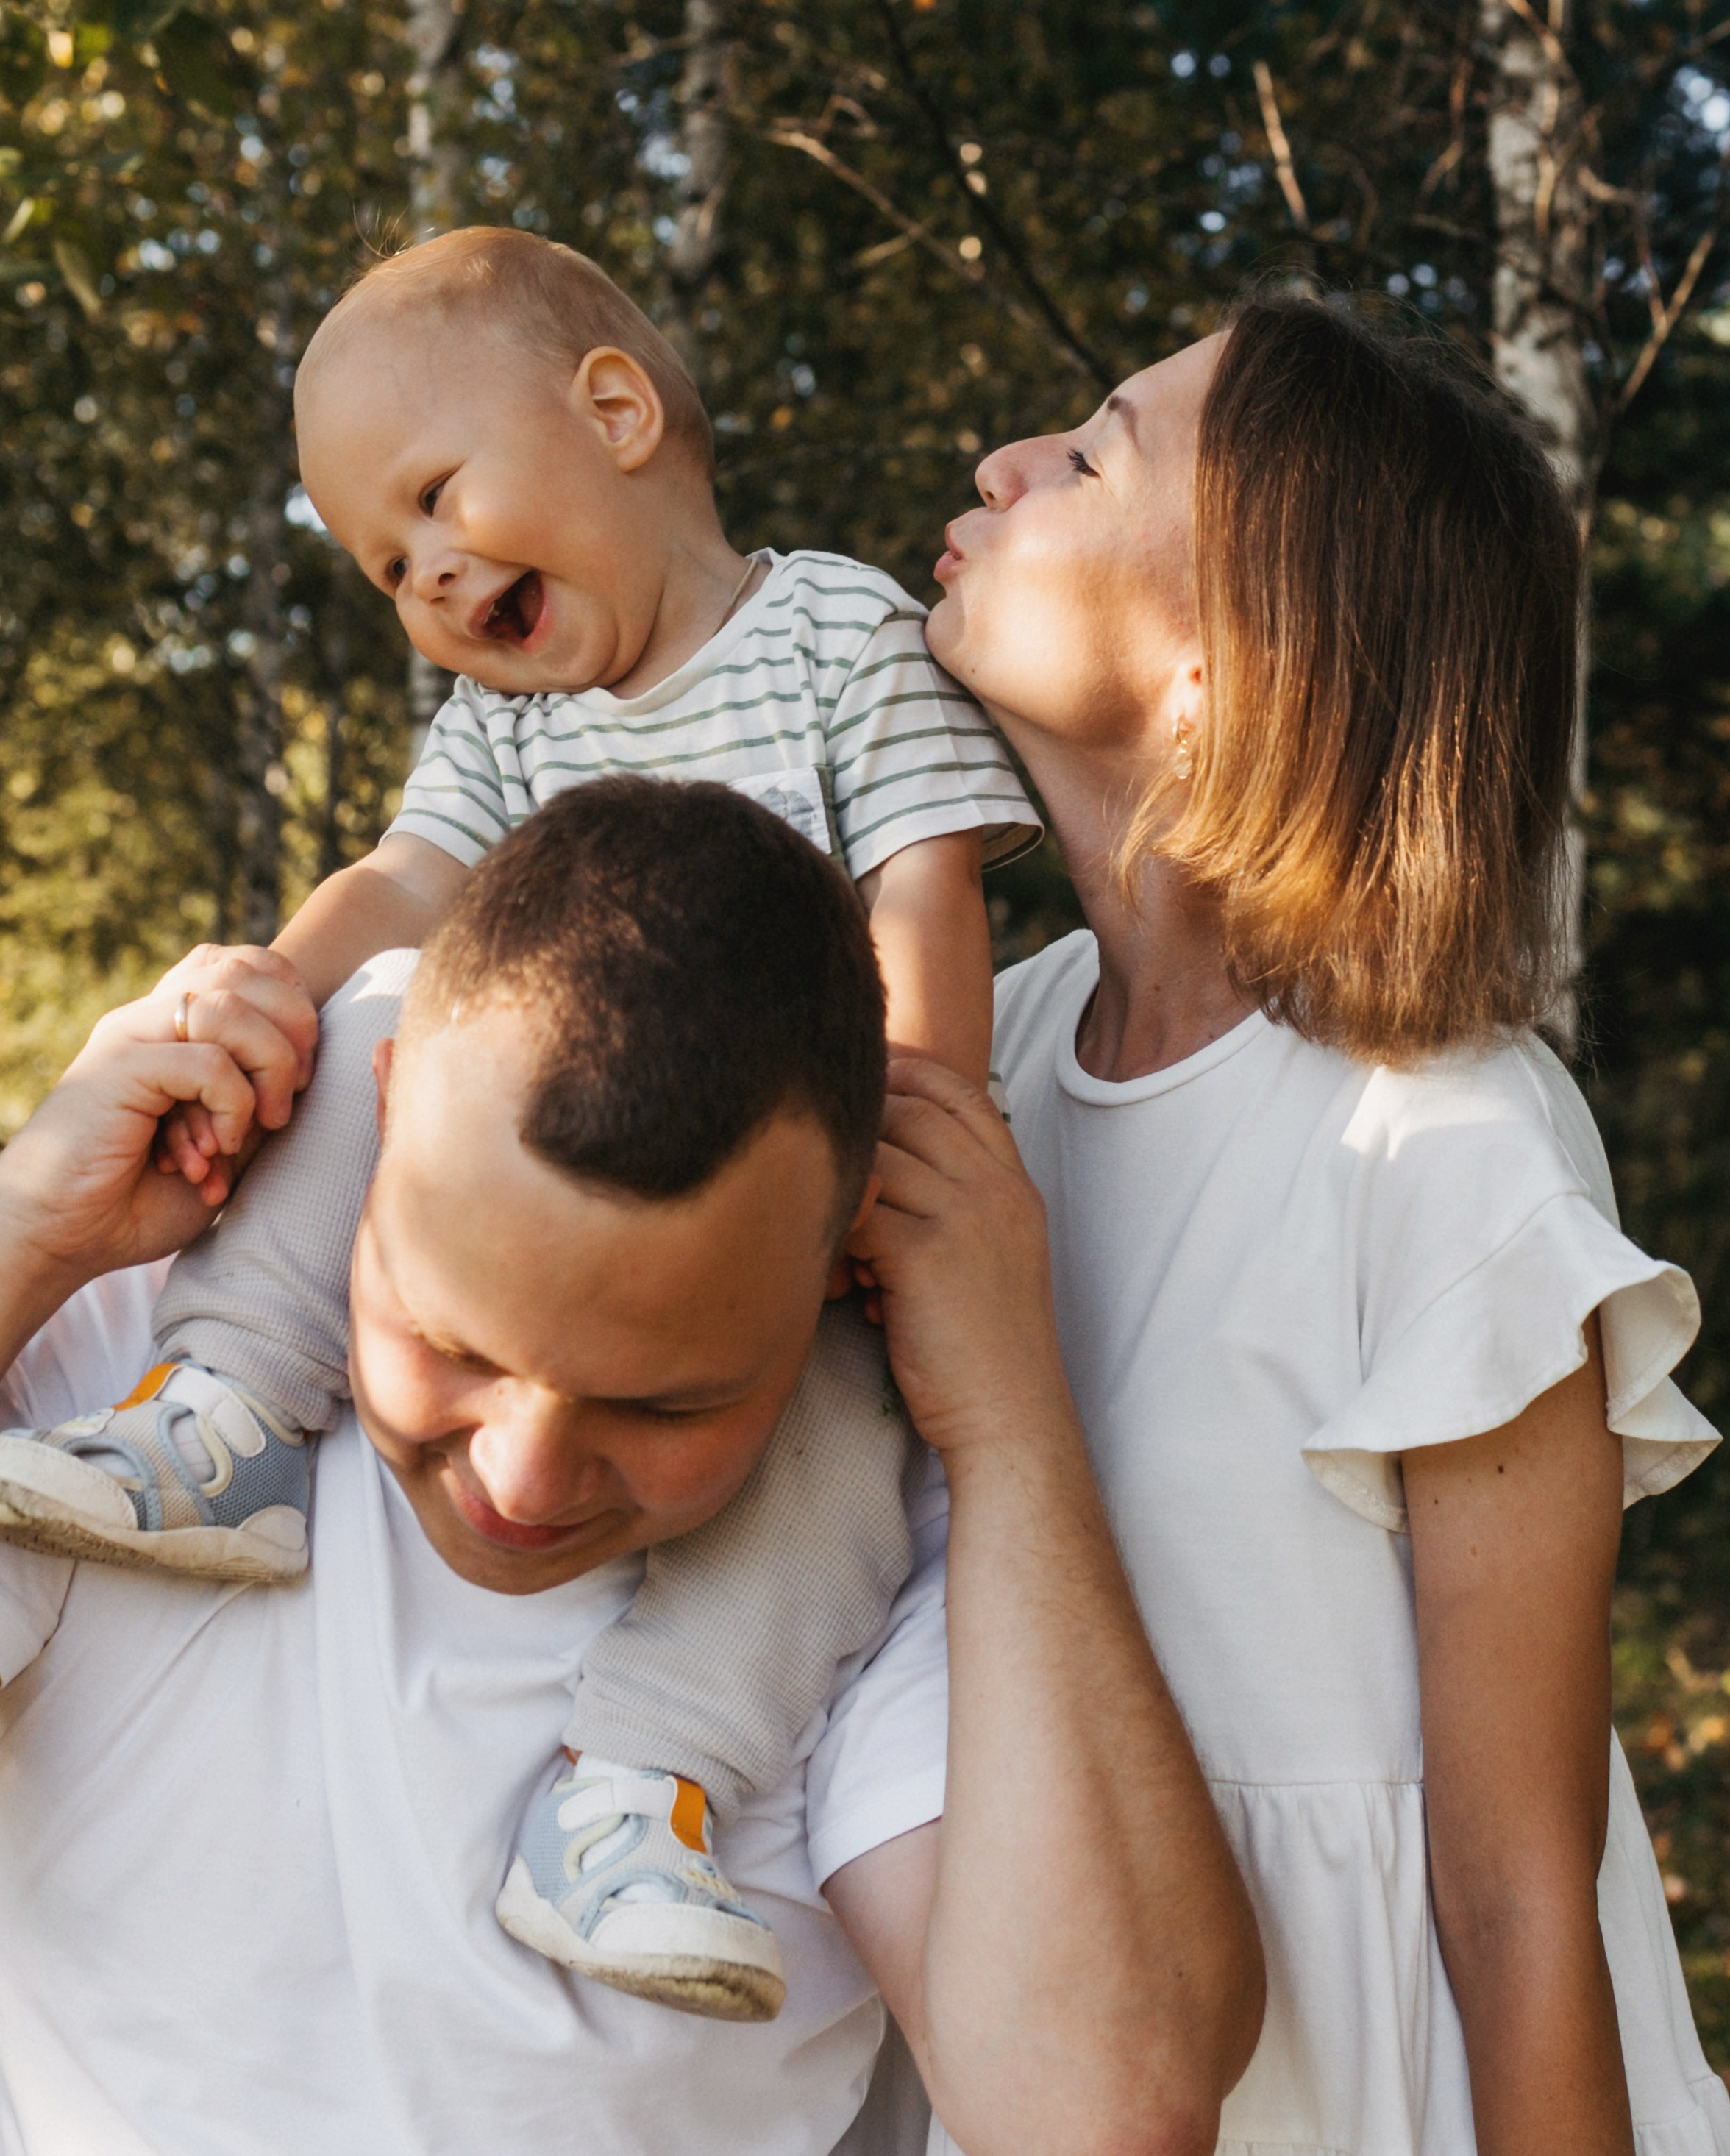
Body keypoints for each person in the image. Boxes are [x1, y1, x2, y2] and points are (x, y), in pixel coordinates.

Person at [0, 225, 1039, 2014]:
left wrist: (904, 1155)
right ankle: (228, 1412)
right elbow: (405, 883)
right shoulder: (502, 720)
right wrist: (263, 986)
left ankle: (638, 1793)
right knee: (384, 1030)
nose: (419, 577)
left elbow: (921, 900)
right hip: (524, 1163)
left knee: (849, 1443)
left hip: (790, 1185)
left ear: (616, 411)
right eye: (380, 560)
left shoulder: (832, 635)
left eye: (433, 499)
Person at [0, 779, 1263, 2156]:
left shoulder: (872, 1536)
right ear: (385, 1097)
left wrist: (1015, 1425)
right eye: (450, 1341)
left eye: (664, 1408)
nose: (525, 1478)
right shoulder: (116, 1376)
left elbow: (1098, 2112)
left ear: (841, 1254)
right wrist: (25, 1233)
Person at [925, 291, 1730, 2156]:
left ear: (1230, 656)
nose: (1005, 462)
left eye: (1097, 449)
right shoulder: (986, 1061)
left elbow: (1524, 1893)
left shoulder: (1445, 1134)